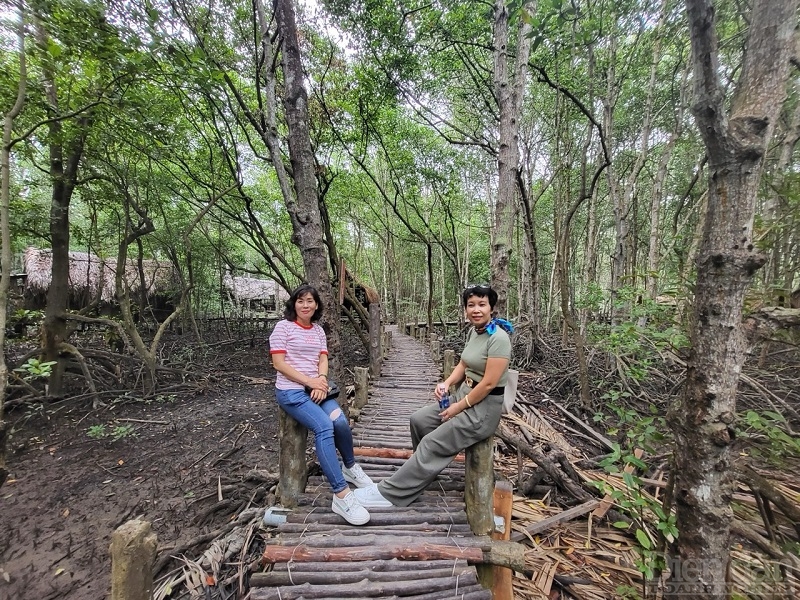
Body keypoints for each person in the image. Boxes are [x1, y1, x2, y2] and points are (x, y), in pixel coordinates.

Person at [355, 283, 512, 508]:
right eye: (471, 305)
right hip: (464, 396)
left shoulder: (499, 338)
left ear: (491, 308)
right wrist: (446, 384)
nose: (476, 310)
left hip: (482, 410)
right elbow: (464, 363)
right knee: (419, 421)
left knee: (431, 443)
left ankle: (391, 493)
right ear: (465, 309)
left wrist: (458, 408)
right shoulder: (474, 332)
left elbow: (488, 384)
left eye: (482, 305)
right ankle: (422, 474)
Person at [269, 284, 373, 525]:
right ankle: (341, 494)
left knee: (340, 421)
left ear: (316, 305)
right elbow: (279, 364)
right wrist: (311, 382)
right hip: (292, 392)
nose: (305, 305)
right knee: (324, 426)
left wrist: (321, 381)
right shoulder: (283, 328)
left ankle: (350, 467)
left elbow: (322, 359)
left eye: (310, 301)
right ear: (294, 303)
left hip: (318, 389)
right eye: (301, 301)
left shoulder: (317, 331)